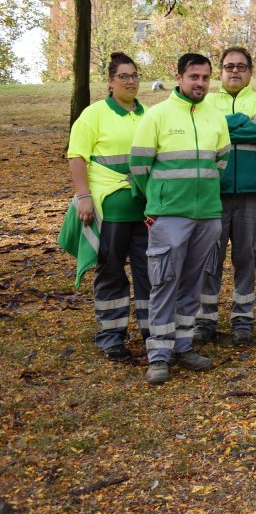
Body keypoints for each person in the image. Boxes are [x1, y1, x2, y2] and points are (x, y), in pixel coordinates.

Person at [129, 53, 230, 384]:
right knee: (163, 283)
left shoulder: (215, 117)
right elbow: (140, 167)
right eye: (193, 77)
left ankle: (184, 346)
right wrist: (156, 204)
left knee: (193, 283)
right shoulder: (156, 116)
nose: (199, 83)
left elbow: (221, 161)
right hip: (169, 216)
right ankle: (158, 354)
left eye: (204, 77)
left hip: (208, 216)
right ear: (179, 77)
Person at [64, 52, 150, 361]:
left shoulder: (147, 114)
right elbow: (77, 156)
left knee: (148, 273)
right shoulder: (94, 114)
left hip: (145, 211)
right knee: (111, 271)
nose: (130, 81)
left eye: (134, 75)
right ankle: (112, 336)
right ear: (110, 82)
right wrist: (83, 196)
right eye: (123, 76)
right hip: (110, 211)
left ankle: (152, 332)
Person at [198, 47, 256, 347]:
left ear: (250, 72)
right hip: (211, 194)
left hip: (250, 195)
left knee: (247, 256)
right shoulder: (206, 100)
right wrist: (238, 123)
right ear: (220, 71)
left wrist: (221, 126)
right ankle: (205, 320)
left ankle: (243, 319)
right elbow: (203, 132)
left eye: (241, 67)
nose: (235, 71)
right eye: (229, 66)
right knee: (209, 258)